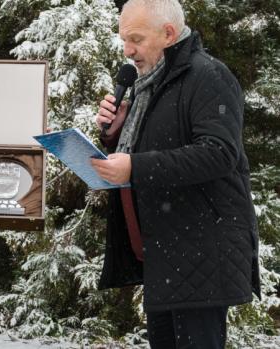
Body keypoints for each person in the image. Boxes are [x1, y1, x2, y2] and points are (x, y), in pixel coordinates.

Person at [91, 1, 259, 348]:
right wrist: (115, 135)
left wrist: (134, 165)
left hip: (202, 256)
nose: (128, 50)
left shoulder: (208, 76)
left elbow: (219, 153)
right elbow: (156, 146)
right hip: (165, 255)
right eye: (124, 40)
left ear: (168, 34)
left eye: (135, 39)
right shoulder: (149, 84)